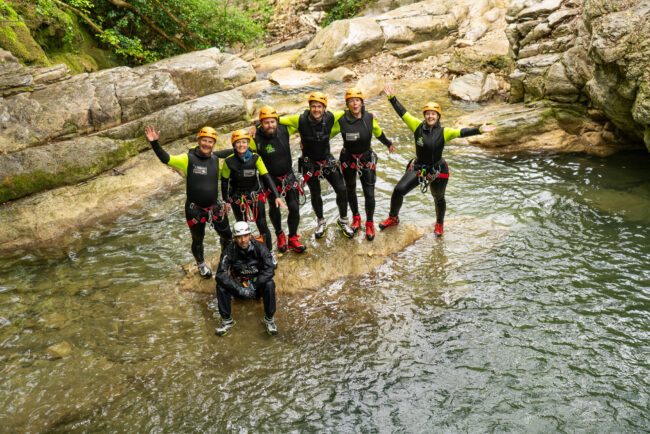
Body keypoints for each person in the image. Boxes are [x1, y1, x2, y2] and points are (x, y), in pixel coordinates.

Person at [378, 85, 496, 236]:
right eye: (428, 114)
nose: (430, 116)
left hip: (438, 169)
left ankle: (439, 223)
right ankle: (393, 218)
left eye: (433, 114)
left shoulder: (444, 132)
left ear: (438, 116)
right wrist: (392, 98)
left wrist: (479, 130)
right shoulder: (417, 126)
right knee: (398, 190)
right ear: (425, 115)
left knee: (438, 197)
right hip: (419, 167)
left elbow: (461, 132)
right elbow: (403, 113)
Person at [145, 125, 232, 278]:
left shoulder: (215, 158)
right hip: (195, 209)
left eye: (210, 142)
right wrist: (154, 143)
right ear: (199, 141)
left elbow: (236, 151)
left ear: (214, 144)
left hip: (214, 207)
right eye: (204, 140)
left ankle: (225, 258)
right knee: (198, 240)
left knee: (227, 235)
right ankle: (201, 264)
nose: (207, 144)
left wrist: (249, 141)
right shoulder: (188, 159)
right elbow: (167, 159)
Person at [277, 92, 355, 239]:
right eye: (314, 106)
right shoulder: (299, 119)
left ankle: (343, 220)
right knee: (315, 193)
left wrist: (366, 113)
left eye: (319, 107)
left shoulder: (331, 116)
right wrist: (256, 126)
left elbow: (350, 111)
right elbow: (276, 119)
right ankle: (321, 221)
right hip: (309, 163)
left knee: (342, 189)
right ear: (309, 107)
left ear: (325, 108)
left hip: (327, 160)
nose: (316, 109)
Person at [331, 87, 396, 241]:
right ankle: (356, 217)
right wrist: (307, 143)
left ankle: (369, 223)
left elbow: (378, 132)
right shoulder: (341, 119)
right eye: (351, 101)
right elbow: (326, 134)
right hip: (348, 159)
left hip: (366, 158)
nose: (354, 104)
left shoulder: (369, 117)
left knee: (369, 193)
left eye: (357, 101)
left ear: (361, 102)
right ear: (347, 104)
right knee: (350, 189)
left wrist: (388, 144)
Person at [249, 106, 306, 253]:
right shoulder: (255, 138)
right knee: (274, 209)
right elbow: (239, 147)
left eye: (272, 122)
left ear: (277, 121)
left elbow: (303, 121)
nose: (270, 125)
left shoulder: (284, 129)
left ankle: (292, 237)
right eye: (266, 123)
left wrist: (303, 140)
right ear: (261, 123)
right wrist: (254, 126)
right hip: (269, 179)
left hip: (288, 175)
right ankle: (280, 234)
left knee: (294, 207)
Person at [220, 129, 286, 253]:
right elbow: (224, 181)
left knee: (262, 224)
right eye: (238, 142)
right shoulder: (229, 161)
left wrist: (276, 196)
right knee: (241, 227)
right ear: (234, 145)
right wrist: (226, 201)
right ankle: (246, 253)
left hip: (255, 195)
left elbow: (266, 176)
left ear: (248, 143)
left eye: (244, 142)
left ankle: (268, 253)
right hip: (237, 198)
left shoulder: (256, 158)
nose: (241, 145)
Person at [215, 221, 278, 336]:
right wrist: (240, 289)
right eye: (239, 237)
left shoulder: (260, 247)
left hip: (256, 287)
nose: (243, 240)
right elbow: (220, 274)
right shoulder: (229, 251)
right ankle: (227, 320)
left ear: (250, 235)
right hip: (239, 287)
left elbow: (270, 270)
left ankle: (269, 319)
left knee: (269, 283)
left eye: (245, 236)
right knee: (220, 286)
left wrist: (254, 286)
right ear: (234, 238)